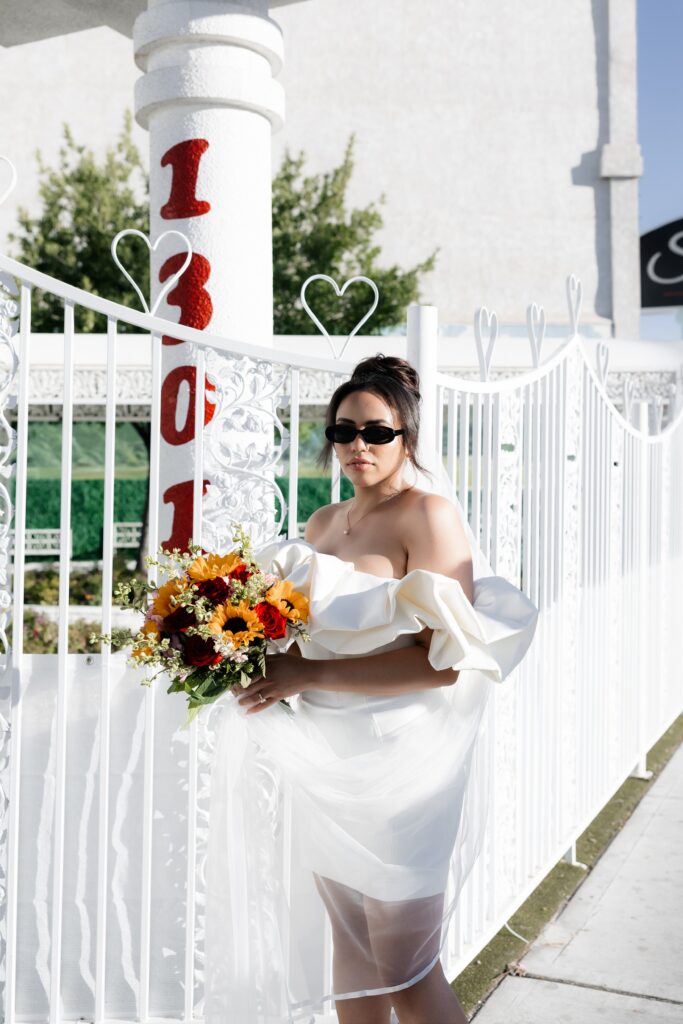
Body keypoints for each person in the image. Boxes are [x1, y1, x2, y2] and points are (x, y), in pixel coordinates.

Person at [204, 355, 539, 1024]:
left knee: (404, 967)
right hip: (324, 751)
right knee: (351, 952)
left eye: (376, 432)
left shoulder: (428, 516)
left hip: (402, 758)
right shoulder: (323, 524)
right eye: (343, 431)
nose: (357, 445)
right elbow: (300, 634)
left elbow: (448, 661)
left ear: (405, 435)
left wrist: (310, 673)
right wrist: (231, 647)